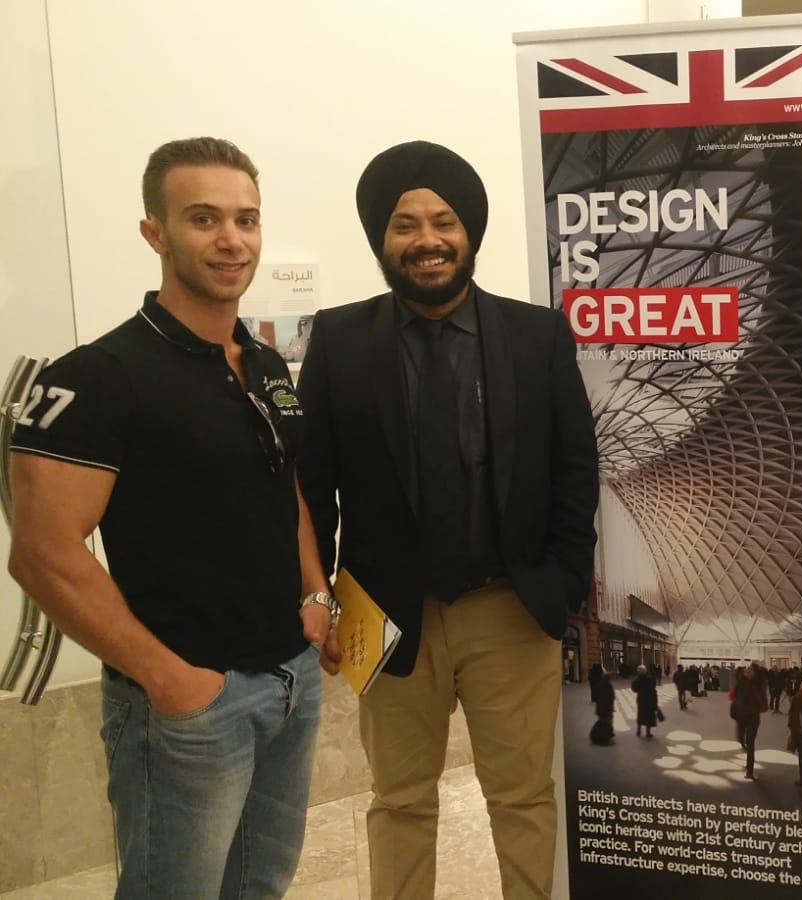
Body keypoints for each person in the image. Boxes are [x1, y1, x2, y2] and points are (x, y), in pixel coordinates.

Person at [5, 137, 332, 899]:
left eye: (246, 219)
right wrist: (170, 680)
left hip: (289, 680)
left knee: (261, 884)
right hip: (190, 706)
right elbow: (43, 553)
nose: (232, 240)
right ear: (155, 232)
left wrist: (315, 590)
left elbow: (282, 484)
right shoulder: (100, 377)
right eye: (203, 218)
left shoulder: (264, 364)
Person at [296, 140, 600, 900]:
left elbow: (574, 469)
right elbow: (311, 485)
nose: (426, 240)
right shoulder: (338, 341)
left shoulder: (537, 335)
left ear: (470, 232)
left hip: (511, 610)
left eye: (444, 222)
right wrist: (318, 595)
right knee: (399, 801)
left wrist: (563, 584)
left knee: (523, 797)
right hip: (384, 613)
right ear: (381, 238)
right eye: (404, 225)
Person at [730, 662, 769, 779]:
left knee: (750, 742)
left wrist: (752, 707)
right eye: (747, 669)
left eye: (750, 670)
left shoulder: (759, 685)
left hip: (752, 717)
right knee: (741, 738)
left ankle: (749, 770)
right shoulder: (741, 681)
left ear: (755, 673)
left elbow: (762, 702)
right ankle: (745, 748)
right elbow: (735, 696)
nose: (747, 671)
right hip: (741, 716)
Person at [588, 663, 614, 746]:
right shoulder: (608, 686)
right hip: (606, 708)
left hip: (600, 707)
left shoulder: (599, 684)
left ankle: (601, 736)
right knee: (606, 722)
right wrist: (612, 707)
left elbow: (596, 695)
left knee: (602, 721)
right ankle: (603, 738)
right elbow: (611, 697)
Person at [631, 664, 660, 738]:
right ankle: (648, 732)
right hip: (649, 699)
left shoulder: (637, 680)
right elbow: (653, 688)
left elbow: (634, 689)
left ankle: (639, 730)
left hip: (641, 699)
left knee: (640, 714)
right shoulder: (650, 679)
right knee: (649, 715)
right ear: (645, 671)